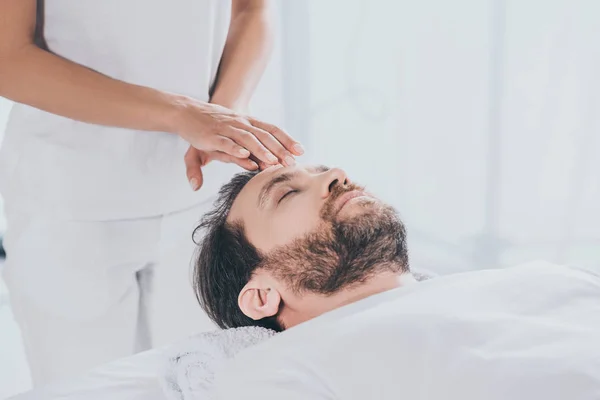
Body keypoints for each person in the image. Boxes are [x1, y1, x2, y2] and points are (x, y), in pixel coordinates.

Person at [0, 0, 303, 386]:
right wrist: (180, 113)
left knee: (217, 385)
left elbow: (252, 8)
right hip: (70, 201)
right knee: (88, 390)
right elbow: (8, 57)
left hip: (206, 200)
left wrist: (228, 112)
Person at [193, 165, 600, 400]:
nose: (337, 175)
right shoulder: (272, 372)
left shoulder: (540, 276)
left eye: (323, 170)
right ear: (262, 295)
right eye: (286, 195)